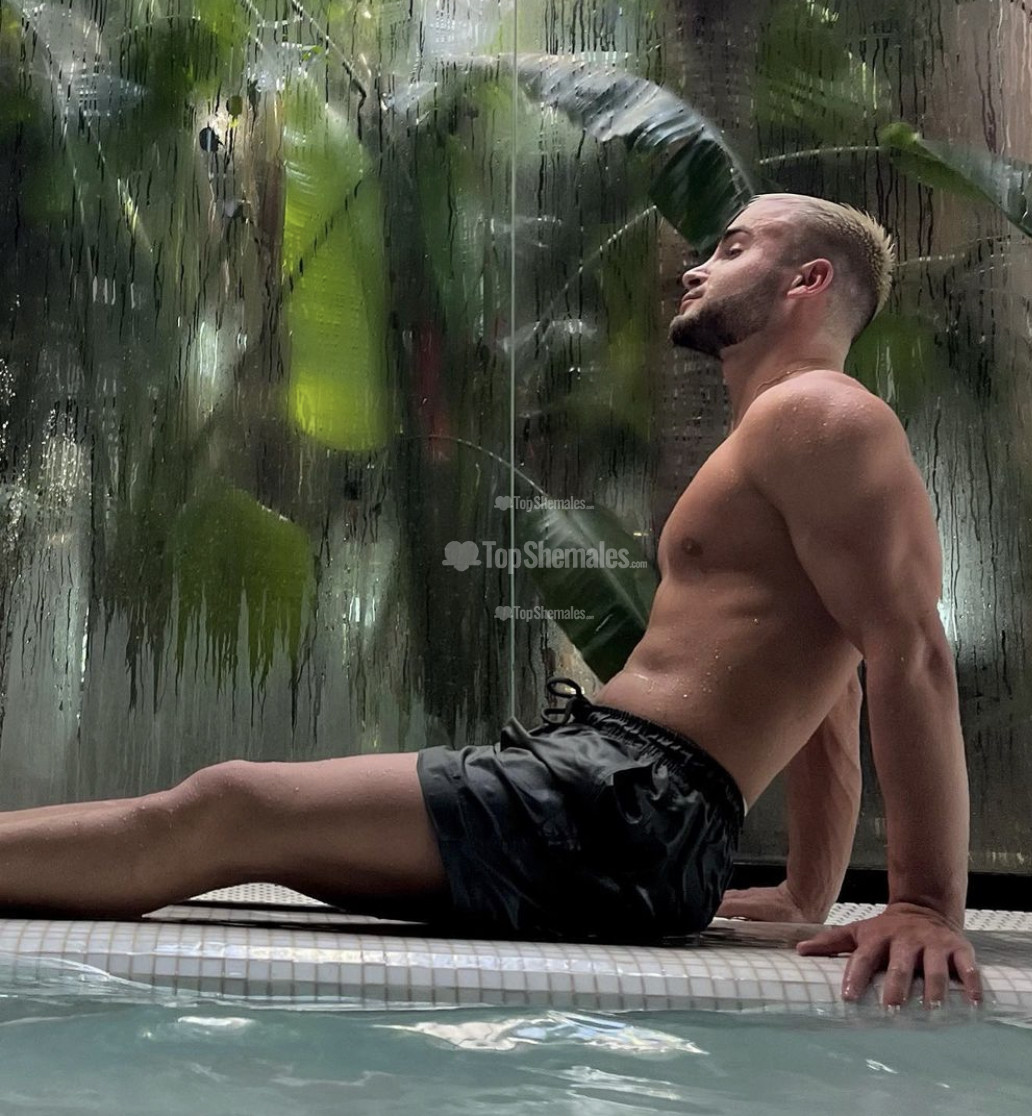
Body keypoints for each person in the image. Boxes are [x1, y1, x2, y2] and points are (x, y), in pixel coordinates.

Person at [0, 193, 982, 1010]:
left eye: (733, 249)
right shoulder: (781, 431)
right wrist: (805, 890)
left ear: (808, 281)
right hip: (623, 803)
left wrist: (925, 904)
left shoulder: (821, 413)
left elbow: (910, 650)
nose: (696, 268)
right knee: (240, 821)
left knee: (229, 807)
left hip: (622, 801)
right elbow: (834, 689)